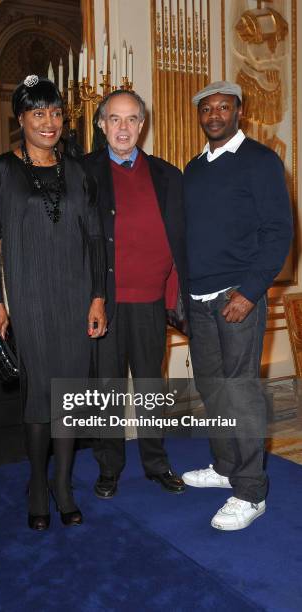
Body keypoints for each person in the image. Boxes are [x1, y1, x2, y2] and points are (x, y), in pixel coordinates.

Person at [0, 75, 106, 530]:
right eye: (38, 113)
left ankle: (64, 485)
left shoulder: (78, 171)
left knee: (69, 395)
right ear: (21, 119)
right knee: (40, 395)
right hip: (28, 297)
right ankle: (37, 483)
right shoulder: (1, 171)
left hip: (75, 297)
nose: (49, 122)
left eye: (55, 112)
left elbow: (95, 238)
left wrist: (97, 297)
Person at [182, 81, 293, 530]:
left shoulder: (261, 162)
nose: (214, 115)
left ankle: (250, 491)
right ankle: (226, 466)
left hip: (237, 298)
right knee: (212, 388)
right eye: (206, 109)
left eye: (223, 107)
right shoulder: (193, 169)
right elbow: (189, 237)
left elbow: (279, 233)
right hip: (198, 298)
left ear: (239, 112)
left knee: (241, 390)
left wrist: (248, 292)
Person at [82, 90, 188, 499]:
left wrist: (174, 299)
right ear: (101, 124)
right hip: (103, 302)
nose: (123, 128)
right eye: (114, 119)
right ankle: (109, 469)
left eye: (131, 120)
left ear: (142, 125)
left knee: (149, 385)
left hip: (150, 301)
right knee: (107, 388)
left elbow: (181, 239)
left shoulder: (167, 175)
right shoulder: (83, 172)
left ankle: (156, 465)